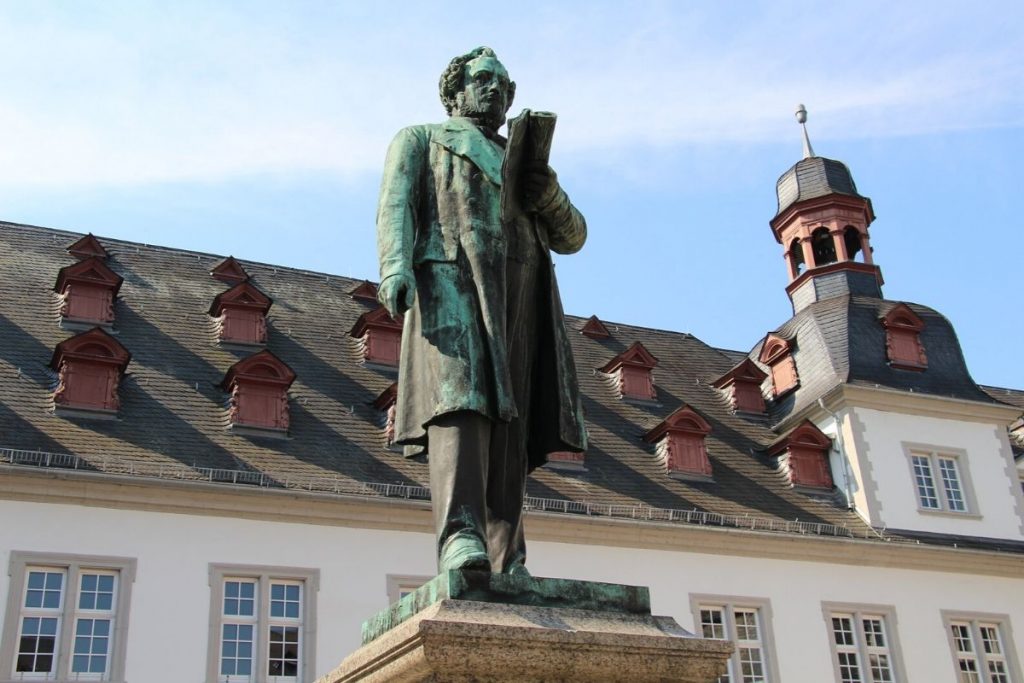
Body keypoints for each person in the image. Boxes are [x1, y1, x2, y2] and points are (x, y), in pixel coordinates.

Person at [376, 46, 586, 576]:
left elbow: (574, 237)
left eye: (503, 83)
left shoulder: (523, 161)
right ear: (456, 91)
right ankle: (460, 537)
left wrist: (550, 196)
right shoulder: (422, 139)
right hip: (453, 278)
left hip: (521, 289)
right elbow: (395, 203)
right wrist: (395, 267)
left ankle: (505, 551)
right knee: (462, 403)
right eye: (483, 79)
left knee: (512, 415)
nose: (495, 88)